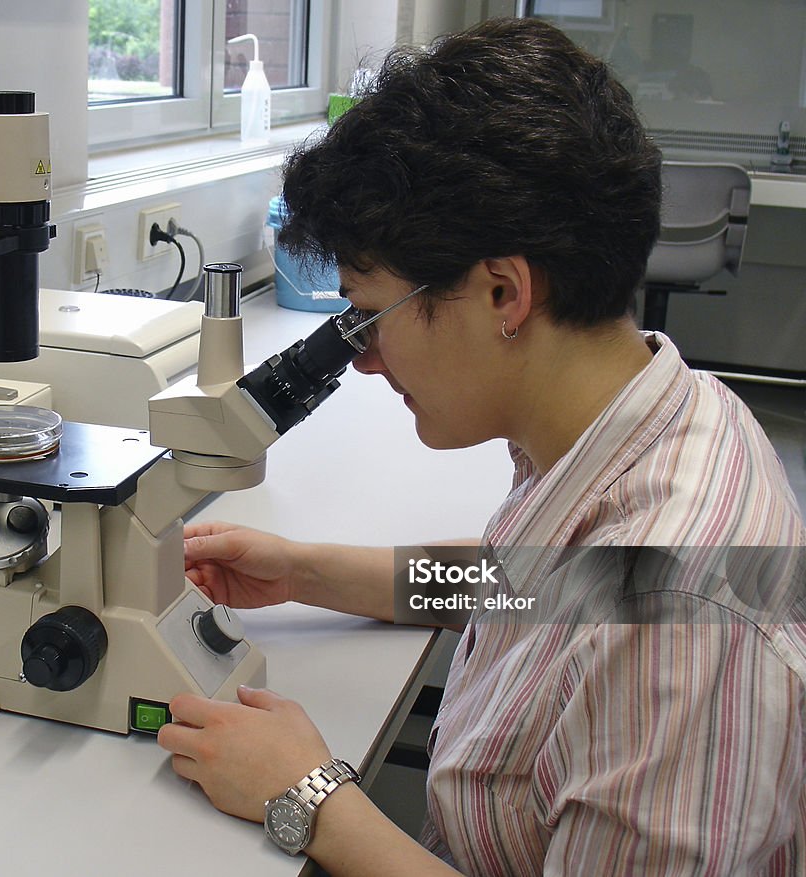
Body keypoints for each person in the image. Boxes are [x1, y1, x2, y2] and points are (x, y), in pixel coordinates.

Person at [157, 17, 806, 876]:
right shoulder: (645, 418)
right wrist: (308, 570)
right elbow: (540, 586)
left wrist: (311, 798)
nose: (367, 360)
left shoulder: (678, 633)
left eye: (370, 316)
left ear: (503, 290)